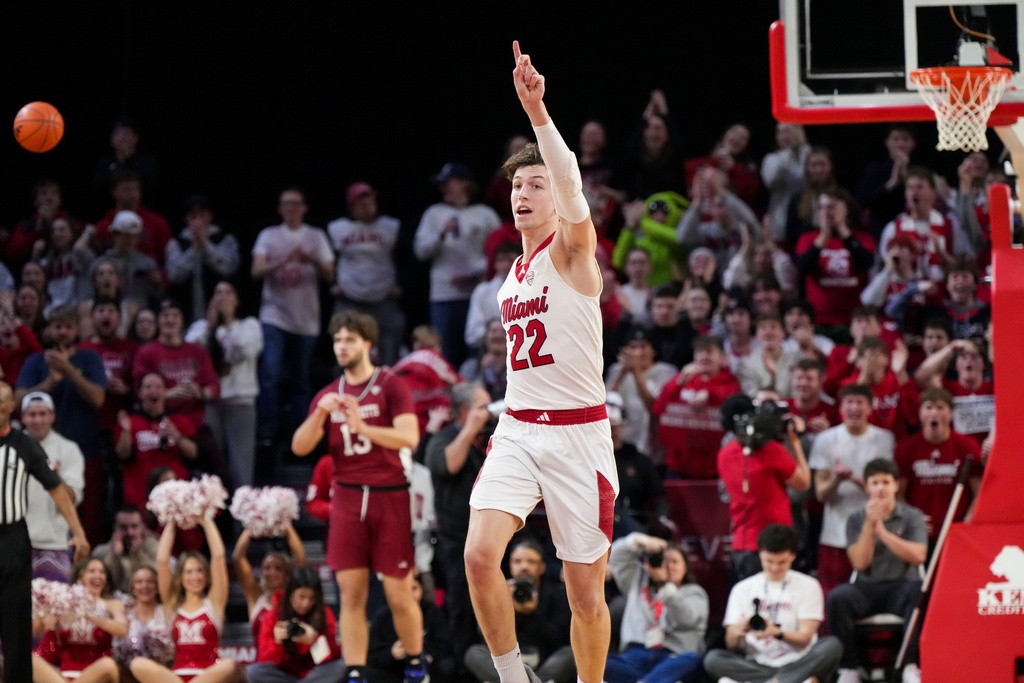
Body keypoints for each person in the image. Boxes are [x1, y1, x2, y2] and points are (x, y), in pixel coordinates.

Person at [463, 42, 618, 683]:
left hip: (580, 434)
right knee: (478, 556)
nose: (523, 193)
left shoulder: (574, 253)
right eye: (517, 186)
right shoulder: (512, 277)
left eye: (536, 185)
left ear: (559, 199)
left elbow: (572, 182)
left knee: (584, 595)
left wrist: (538, 114)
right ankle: (512, 675)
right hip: (520, 428)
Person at [291, 310, 425, 683]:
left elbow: (409, 438)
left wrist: (363, 426)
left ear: (367, 343)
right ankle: (355, 672)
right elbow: (300, 447)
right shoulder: (328, 394)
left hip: (389, 493)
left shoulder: (390, 385)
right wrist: (319, 414)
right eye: (336, 340)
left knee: (399, 593)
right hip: (348, 497)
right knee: (350, 594)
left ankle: (416, 663)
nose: (341, 346)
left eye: (349, 339)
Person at [0, 380, 90, 683]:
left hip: (19, 539)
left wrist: (78, 532)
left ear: (12, 407)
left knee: (20, 626)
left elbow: (59, 490)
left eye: (3, 401)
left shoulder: (25, 445)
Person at [826, 459, 927, 683]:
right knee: (837, 598)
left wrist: (883, 533)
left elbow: (919, 555)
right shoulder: (855, 519)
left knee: (920, 590)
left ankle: (911, 665)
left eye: (886, 482)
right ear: (867, 487)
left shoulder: (912, 516)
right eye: (875, 482)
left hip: (902, 586)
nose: (881, 487)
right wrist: (869, 526)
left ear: (896, 485)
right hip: (867, 587)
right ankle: (849, 668)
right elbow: (859, 564)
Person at [15, 305, 108, 542]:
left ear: (77, 330)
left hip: (85, 448)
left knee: (88, 518)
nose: (63, 332)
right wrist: (50, 381)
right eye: (57, 327)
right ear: (48, 330)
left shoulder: (89, 358)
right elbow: (18, 402)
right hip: (40, 449)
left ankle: (86, 570)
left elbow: (98, 398)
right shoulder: (36, 361)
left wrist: (68, 371)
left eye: (68, 327)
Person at [704, 524, 842, 683]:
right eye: (769, 561)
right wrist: (738, 630)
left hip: (798, 661)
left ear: (793, 556)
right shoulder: (742, 588)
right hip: (756, 663)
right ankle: (783, 681)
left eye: (782, 562)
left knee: (832, 646)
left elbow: (805, 638)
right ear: (760, 554)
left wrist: (777, 633)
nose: (775, 568)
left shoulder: (808, 585)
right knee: (713, 659)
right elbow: (731, 644)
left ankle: (776, 680)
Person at [251, 188, 335, 445]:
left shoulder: (316, 236)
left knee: (301, 380)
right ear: (280, 209)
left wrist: (311, 260)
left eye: (296, 204)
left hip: (306, 319)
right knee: (270, 374)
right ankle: (268, 430)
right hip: (274, 314)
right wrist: (284, 260)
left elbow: (330, 275)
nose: (291, 208)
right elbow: (256, 271)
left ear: (304, 208)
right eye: (286, 204)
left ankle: (300, 434)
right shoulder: (269, 235)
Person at [807, 384, 896, 597]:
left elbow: (885, 490)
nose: (854, 407)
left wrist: (854, 479)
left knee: (873, 597)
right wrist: (837, 479)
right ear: (841, 407)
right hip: (834, 533)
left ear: (870, 408)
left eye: (859, 402)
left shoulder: (884, 439)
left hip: (874, 531)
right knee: (833, 597)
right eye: (849, 402)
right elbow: (821, 494)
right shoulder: (825, 440)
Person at [414, 162, 502, 366]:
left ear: (464, 184)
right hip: (444, 296)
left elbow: (499, 253)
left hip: (477, 293)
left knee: (478, 352)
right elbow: (420, 252)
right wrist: (441, 234)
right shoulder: (434, 213)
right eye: (441, 184)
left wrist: (474, 274)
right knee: (445, 353)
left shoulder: (485, 214)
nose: (443, 187)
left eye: (448, 183)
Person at [129, 515, 237, 682]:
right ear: (181, 576)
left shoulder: (214, 603)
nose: (195, 577)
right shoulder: (172, 605)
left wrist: (205, 519)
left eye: (199, 570)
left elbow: (218, 556)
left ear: (206, 575)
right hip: (176, 678)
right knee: (137, 664)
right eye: (189, 572)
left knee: (229, 664)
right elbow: (162, 561)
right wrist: (172, 519)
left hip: (209, 677)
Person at [425, 381, 491, 654]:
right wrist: (469, 430)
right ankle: (460, 666)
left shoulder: (488, 438)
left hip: (490, 537)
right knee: (462, 606)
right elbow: (449, 465)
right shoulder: (443, 439)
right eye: (482, 407)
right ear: (464, 411)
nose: (488, 413)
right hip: (456, 541)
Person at [718, 393, 811, 581]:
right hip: (774, 548)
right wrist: (794, 440)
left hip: (741, 545)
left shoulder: (724, 453)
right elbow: (803, 483)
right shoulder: (770, 450)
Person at [184, 281, 263, 487]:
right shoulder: (199, 328)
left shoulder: (249, 326)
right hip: (209, 403)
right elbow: (189, 355)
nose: (223, 298)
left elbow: (245, 351)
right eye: (218, 293)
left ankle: (241, 516)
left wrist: (227, 323)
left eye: (228, 293)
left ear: (236, 300)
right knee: (212, 464)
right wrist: (211, 326)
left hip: (240, 401)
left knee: (241, 465)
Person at [464, 540, 575, 683]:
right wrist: (505, 606)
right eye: (517, 561)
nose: (524, 566)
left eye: (531, 562)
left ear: (542, 567)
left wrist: (532, 614)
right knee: (473, 653)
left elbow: (559, 640)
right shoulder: (500, 593)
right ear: (510, 565)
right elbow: (484, 636)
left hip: (544, 661)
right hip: (507, 660)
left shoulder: (556, 594)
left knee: (570, 654)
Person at [605, 533, 708, 683]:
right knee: (597, 663)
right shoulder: (637, 581)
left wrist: (663, 583)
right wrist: (642, 541)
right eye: (664, 561)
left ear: (686, 566)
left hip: (672, 656)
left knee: (691, 659)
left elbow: (685, 619)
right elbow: (616, 557)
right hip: (635, 656)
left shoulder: (695, 593)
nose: (669, 566)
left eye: (675, 561)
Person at [328, 181, 406, 367]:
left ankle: (387, 392)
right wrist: (331, 285)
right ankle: (344, 392)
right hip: (350, 297)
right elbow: (327, 259)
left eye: (370, 203)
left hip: (384, 297)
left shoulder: (390, 227)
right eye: (361, 205)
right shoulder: (337, 228)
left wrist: (401, 285)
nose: (367, 208)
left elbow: (406, 257)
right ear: (352, 206)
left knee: (390, 350)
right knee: (345, 349)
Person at [894, 387, 983, 545]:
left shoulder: (967, 446)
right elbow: (898, 493)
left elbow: (979, 492)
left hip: (956, 532)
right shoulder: (906, 448)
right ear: (921, 414)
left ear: (951, 414)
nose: (934, 413)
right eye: (928, 407)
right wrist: (913, 519)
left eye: (940, 407)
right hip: (919, 533)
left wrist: (967, 523)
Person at [653, 336, 741, 479]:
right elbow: (658, 409)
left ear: (722, 358)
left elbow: (734, 406)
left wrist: (710, 393)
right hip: (678, 465)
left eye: (709, 351)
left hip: (715, 467)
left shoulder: (730, 383)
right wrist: (679, 382)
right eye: (700, 352)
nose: (704, 356)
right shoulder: (682, 379)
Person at [21, 391, 85, 582]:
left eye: (42, 413)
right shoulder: (9, 447)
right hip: (13, 543)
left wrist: (55, 478)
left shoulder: (68, 449)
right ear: (23, 417)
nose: (37, 419)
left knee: (54, 608)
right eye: (32, 414)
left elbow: (73, 499)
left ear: (52, 416)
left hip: (54, 543)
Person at [32, 557, 129, 683]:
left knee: (108, 664)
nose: (98, 575)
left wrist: (88, 615)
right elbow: (38, 630)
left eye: (102, 572)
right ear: (81, 576)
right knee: (30, 659)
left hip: (98, 674)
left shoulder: (112, 605)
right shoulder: (64, 603)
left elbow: (122, 629)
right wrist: (46, 619)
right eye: (92, 571)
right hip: (63, 676)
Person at [114, 372, 199, 511]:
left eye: (158, 387)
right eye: (148, 387)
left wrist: (177, 436)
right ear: (140, 393)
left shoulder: (180, 421)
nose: (153, 391)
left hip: (176, 496)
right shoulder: (130, 422)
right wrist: (126, 431)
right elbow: (122, 455)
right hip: (140, 497)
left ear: (165, 392)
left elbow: (194, 454)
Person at [132, 299, 221, 432]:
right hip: (161, 424)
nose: (170, 320)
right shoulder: (146, 352)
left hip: (196, 423)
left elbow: (215, 387)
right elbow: (137, 391)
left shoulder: (197, 351)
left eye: (175, 315)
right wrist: (166, 394)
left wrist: (200, 392)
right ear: (158, 321)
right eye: (165, 316)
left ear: (182, 320)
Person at [248, 566, 345, 683]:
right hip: (284, 674)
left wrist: (315, 640)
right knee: (253, 671)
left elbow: (335, 655)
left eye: (311, 598)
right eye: (302, 597)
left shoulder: (324, 613)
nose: (306, 604)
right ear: (290, 593)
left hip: (314, 674)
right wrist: (277, 643)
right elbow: (263, 659)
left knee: (341, 667)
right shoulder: (273, 615)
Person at [164, 194, 240, 324]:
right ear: (186, 219)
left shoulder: (224, 239)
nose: (198, 221)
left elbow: (229, 268)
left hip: (221, 314)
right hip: (186, 312)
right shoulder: (176, 243)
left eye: (202, 215)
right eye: (193, 216)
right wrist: (194, 247)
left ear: (210, 216)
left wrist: (205, 244)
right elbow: (174, 275)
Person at [606, 326, 678, 456]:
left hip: (653, 447)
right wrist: (622, 374)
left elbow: (654, 409)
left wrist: (636, 372)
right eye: (633, 347)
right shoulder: (616, 370)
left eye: (643, 346)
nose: (638, 352)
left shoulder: (667, 372)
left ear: (653, 350)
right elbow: (605, 405)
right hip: (622, 444)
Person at [233, 523, 307, 641]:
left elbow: (300, 558)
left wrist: (285, 522)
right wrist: (252, 524)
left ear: (287, 572)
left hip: (289, 658)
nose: (272, 572)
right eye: (267, 568)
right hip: (262, 658)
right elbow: (238, 558)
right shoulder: (256, 596)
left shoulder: (292, 595)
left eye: (278, 568)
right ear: (262, 571)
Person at [93, 170, 172, 269]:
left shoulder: (157, 223)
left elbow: (169, 260)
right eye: (127, 189)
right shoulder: (104, 226)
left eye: (136, 189)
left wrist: (161, 278)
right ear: (114, 192)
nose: (134, 194)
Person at [112, 566, 175, 674]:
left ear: (156, 586)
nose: (144, 586)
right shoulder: (123, 614)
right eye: (139, 582)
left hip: (162, 675)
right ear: (132, 588)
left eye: (150, 581)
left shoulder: (168, 614)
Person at [91, 506, 160, 594]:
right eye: (123, 527)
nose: (129, 532)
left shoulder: (155, 549)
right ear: (115, 527)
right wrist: (114, 556)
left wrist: (138, 555)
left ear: (143, 527)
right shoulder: (100, 552)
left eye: (134, 526)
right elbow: (104, 586)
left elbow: (155, 581)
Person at [735, 314, 802, 398]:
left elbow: (797, 393)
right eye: (763, 328)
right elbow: (751, 395)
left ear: (783, 333)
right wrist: (772, 378)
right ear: (757, 336)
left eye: (773, 327)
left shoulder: (796, 360)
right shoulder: (746, 364)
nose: (768, 332)